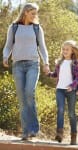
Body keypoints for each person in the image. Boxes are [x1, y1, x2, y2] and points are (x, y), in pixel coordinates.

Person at [3, 3, 50, 140]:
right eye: (32, 13)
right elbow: (8, 45)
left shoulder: (37, 28)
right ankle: (26, 131)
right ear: (25, 13)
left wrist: (46, 62)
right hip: (17, 65)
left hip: (32, 65)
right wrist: (5, 57)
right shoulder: (14, 27)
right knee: (22, 98)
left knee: (29, 92)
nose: (35, 16)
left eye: (36, 13)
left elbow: (42, 47)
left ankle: (34, 129)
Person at [47, 40, 78, 145]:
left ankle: (73, 136)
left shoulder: (75, 63)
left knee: (71, 114)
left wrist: (72, 86)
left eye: (67, 49)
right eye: (63, 49)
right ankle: (59, 133)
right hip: (60, 89)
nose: (65, 51)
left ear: (72, 51)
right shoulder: (59, 62)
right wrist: (49, 74)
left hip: (71, 91)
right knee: (60, 110)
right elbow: (56, 74)